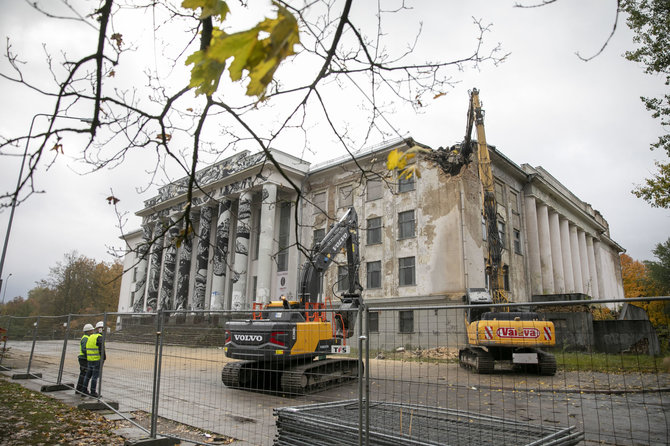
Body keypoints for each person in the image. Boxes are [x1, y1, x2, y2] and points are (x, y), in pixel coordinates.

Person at [82, 321, 106, 398]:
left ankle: (84, 390)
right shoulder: (99, 337)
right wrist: (103, 358)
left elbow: (86, 349)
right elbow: (101, 349)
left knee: (87, 376)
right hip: (96, 360)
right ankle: (93, 392)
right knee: (95, 377)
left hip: (90, 360)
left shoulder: (91, 336)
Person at [75, 324, 94, 396]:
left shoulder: (86, 337)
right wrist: (89, 356)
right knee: (84, 374)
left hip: (84, 358)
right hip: (84, 359)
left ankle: (80, 389)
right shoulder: (85, 338)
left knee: (83, 374)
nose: (93, 331)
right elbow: (84, 350)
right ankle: (81, 389)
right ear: (88, 331)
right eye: (91, 330)